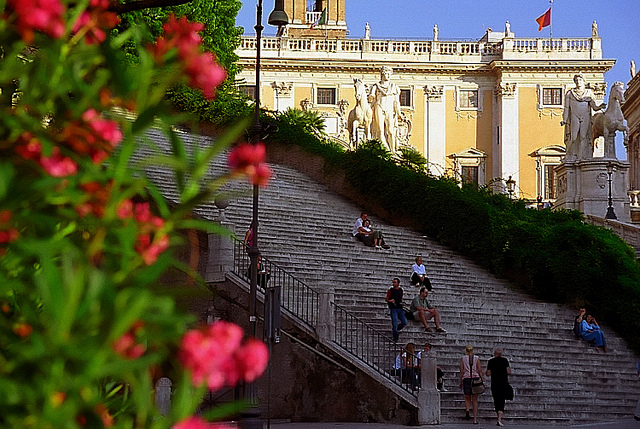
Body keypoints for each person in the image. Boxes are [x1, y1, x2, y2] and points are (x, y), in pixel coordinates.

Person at [560, 73, 606, 161]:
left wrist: (599, 107)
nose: (578, 82)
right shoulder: (570, 93)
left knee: (583, 137)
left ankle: (581, 157)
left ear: (583, 81)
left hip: (585, 117)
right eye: (576, 80)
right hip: (574, 116)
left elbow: (594, 106)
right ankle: (569, 154)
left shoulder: (588, 93)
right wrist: (565, 119)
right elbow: (566, 108)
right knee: (573, 137)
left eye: (580, 80)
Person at [369, 66, 400, 152]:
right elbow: (370, 99)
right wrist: (370, 97)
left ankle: (393, 150)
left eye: (390, 74)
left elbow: (396, 102)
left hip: (389, 109)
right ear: (382, 74)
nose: (388, 75)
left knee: (390, 131)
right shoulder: (376, 86)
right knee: (380, 130)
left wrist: (399, 112)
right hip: (379, 107)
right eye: (386, 73)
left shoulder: (394, 87)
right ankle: (385, 149)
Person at [486, 347, 511, 427]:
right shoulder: (505, 360)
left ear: (495, 353)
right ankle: (499, 419)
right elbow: (508, 371)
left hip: (495, 383)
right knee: (502, 400)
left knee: (496, 400)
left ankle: (498, 418)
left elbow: (488, 373)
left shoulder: (491, 361)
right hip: (503, 383)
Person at [459, 345, 483, 424]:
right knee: (475, 399)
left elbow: (461, 371)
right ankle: (475, 419)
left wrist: (460, 381)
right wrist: (482, 379)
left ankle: (467, 410)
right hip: (475, 378)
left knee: (467, 397)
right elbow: (479, 370)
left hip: (466, 378)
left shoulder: (463, 358)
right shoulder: (476, 358)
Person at [385, 278, 407, 342]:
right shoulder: (390, 290)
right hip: (393, 308)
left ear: (398, 283)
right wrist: (390, 301)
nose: (393, 284)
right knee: (394, 323)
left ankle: (396, 330)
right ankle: (395, 336)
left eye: (395, 282)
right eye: (393, 282)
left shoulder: (400, 290)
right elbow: (386, 298)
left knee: (404, 322)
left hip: (399, 308)